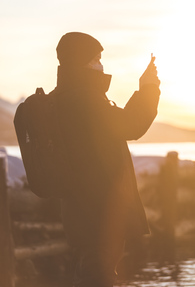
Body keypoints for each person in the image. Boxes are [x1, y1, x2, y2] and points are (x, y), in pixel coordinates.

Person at [53, 32, 160, 287]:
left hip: (80, 207)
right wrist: (147, 89)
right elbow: (129, 125)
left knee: (89, 270)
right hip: (99, 208)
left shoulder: (64, 95)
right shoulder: (84, 99)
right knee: (99, 274)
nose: (99, 64)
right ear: (81, 61)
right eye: (95, 59)